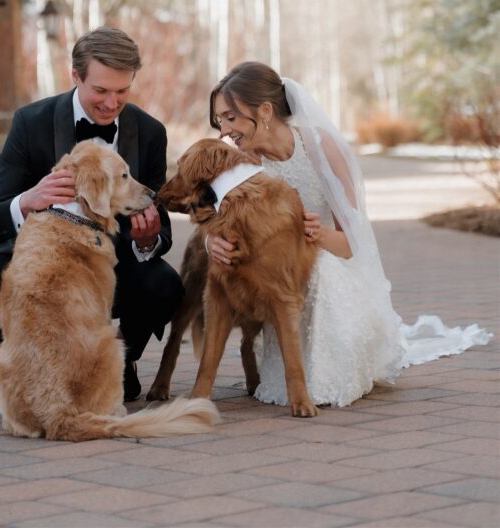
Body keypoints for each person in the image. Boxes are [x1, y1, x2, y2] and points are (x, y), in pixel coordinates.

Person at [207, 61, 491, 408]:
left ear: (264, 111)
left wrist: (315, 234)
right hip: (280, 276)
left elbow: (352, 244)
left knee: (318, 270)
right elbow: (214, 218)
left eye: (230, 118)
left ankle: (330, 369)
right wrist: (212, 242)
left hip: (328, 264)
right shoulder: (242, 163)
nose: (223, 131)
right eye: (220, 120)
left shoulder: (320, 146)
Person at [0, 26, 183, 402]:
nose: (112, 104)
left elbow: (162, 235)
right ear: (76, 76)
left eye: (122, 91)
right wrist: (28, 199)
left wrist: (148, 239)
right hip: (41, 260)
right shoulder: (32, 123)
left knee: (165, 286)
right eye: (101, 91)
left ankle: (116, 361)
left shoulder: (149, 132)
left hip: (110, 263)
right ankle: (35, 362)